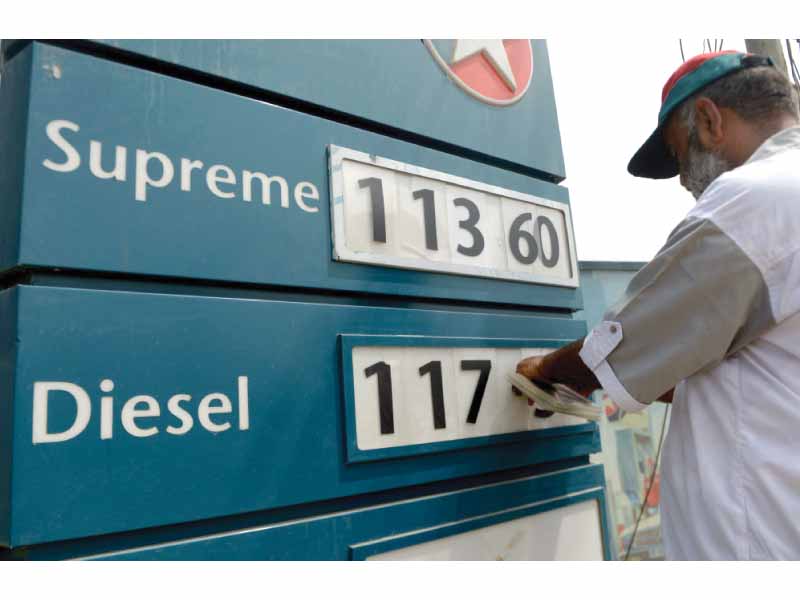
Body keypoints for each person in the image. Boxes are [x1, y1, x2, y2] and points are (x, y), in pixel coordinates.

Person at [516, 50, 800, 560]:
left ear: (710, 121)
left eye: (679, 155)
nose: (682, 179)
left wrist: (544, 370)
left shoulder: (753, 199)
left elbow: (622, 344)